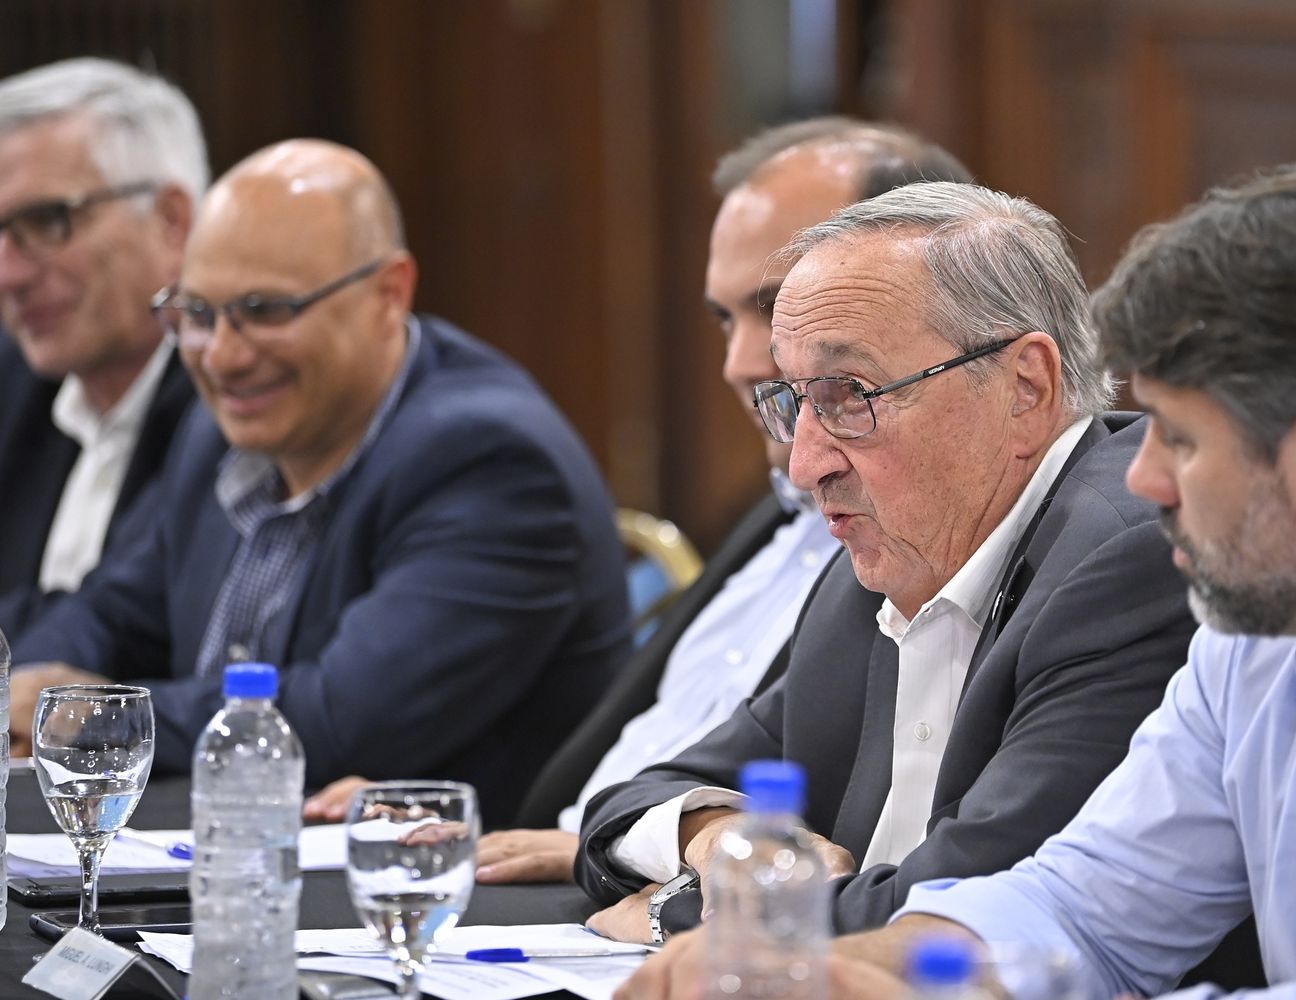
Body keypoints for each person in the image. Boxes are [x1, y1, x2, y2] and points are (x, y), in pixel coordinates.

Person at [669, 155, 1296, 1000]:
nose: (1143, 479)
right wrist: (827, 972)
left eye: (1179, 439)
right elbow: (1078, 906)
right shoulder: (1255, 648)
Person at [302, 116, 973, 884]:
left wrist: (619, 854)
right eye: (726, 318)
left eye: (779, 307)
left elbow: (838, 834)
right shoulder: (768, 519)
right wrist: (486, 821)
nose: (739, 362)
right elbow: (642, 771)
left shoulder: (919, 545)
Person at [578, 180, 1199, 945]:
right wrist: (714, 838)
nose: (805, 466)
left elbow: (968, 902)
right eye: (793, 399)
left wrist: (675, 911)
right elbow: (634, 798)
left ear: (1026, 387)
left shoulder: (1124, 559)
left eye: (850, 396)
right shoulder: (882, 560)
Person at [7, 139, 632, 826]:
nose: (223, 355)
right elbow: (112, 613)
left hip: (424, 901)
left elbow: (338, 723)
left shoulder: (494, 463)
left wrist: (91, 719)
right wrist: (27, 689)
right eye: (197, 314)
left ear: (388, 293)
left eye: (266, 310)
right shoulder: (221, 427)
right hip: (224, 862)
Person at [0, 58, 204, 635]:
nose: (8, 275)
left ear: (171, 221)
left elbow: (112, 629)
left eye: (47, 221)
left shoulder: (236, 395)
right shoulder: (11, 383)